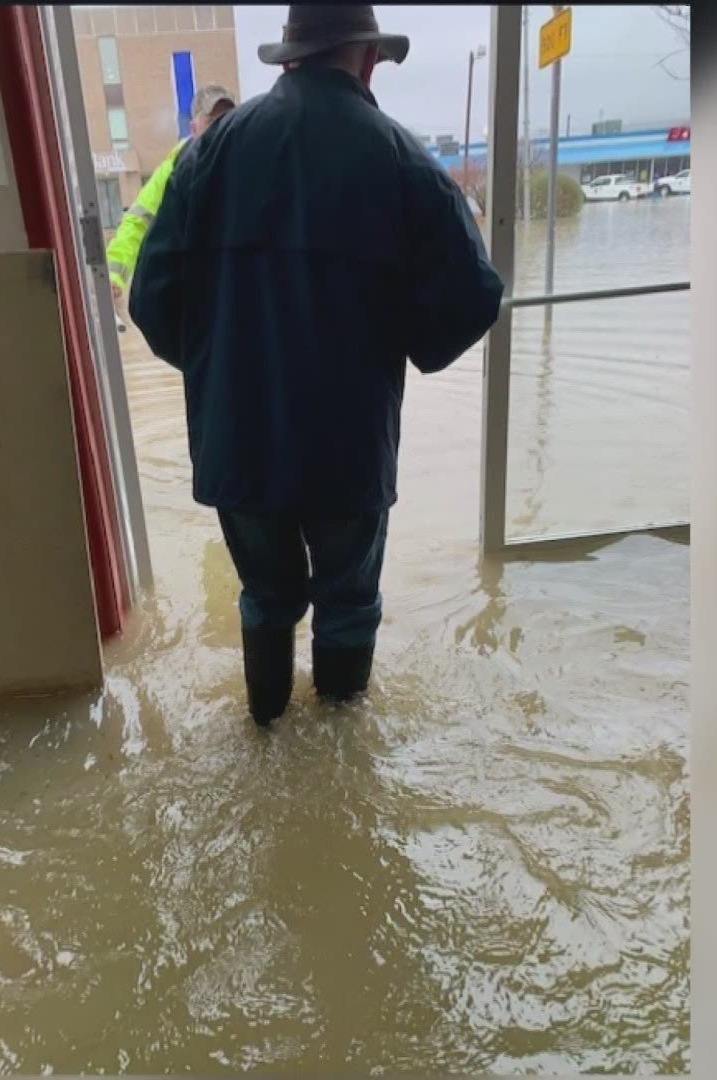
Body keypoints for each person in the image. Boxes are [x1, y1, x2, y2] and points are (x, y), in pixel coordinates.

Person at [129, 5, 504, 725]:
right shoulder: (401, 159)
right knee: (348, 602)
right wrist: (408, 340)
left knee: (266, 598)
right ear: (367, 60)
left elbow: (151, 298)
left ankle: (265, 738)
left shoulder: (207, 156)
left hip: (240, 438)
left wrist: (219, 372)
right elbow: (472, 296)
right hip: (349, 445)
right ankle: (342, 756)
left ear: (287, 59)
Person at [104, 84, 236, 328]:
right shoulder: (177, 168)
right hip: (202, 297)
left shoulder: (249, 159)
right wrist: (114, 276)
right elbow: (137, 220)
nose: (221, 130)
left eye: (227, 121)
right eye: (213, 122)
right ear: (194, 129)